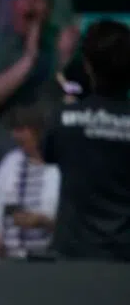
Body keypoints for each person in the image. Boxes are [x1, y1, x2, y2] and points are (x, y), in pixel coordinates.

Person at [44, 20, 130, 261]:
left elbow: (47, 152)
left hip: (73, 257)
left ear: (88, 66)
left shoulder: (64, 118)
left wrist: (62, 63)